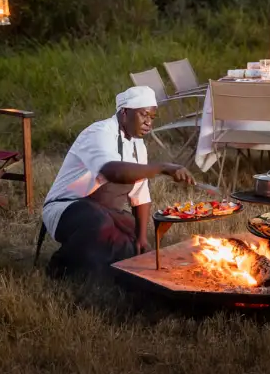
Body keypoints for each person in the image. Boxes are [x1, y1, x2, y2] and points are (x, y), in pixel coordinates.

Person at [41, 85, 195, 277]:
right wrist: (162, 167)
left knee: (135, 241)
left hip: (108, 212)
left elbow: (140, 194)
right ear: (124, 113)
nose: (148, 122)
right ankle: (61, 266)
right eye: (143, 115)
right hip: (67, 207)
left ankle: (109, 267)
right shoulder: (99, 133)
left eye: (152, 118)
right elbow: (113, 171)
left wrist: (140, 236)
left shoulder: (138, 145)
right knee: (98, 223)